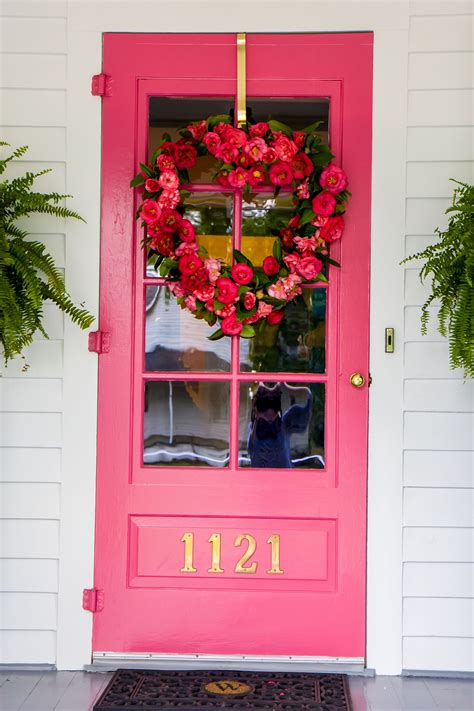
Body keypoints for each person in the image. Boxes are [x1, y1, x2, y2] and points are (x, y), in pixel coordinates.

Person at [248, 382, 313, 468]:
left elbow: (308, 401)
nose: (269, 418)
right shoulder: (254, 427)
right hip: (260, 479)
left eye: (273, 406)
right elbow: (250, 450)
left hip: (284, 478)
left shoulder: (285, 423)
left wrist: (287, 388)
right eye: (264, 410)